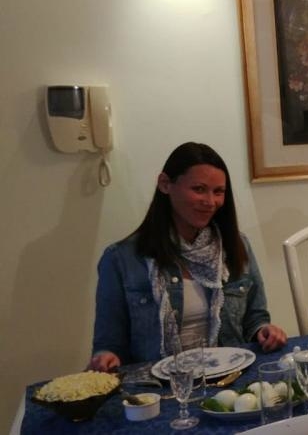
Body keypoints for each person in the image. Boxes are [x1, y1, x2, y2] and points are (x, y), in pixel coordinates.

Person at [88, 142, 287, 372]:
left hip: (230, 377)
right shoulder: (120, 259)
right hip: (156, 384)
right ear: (165, 184)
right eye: (199, 189)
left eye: (218, 192)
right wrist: (106, 357)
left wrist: (264, 330)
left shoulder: (237, 245)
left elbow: (255, 318)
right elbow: (109, 344)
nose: (210, 202)